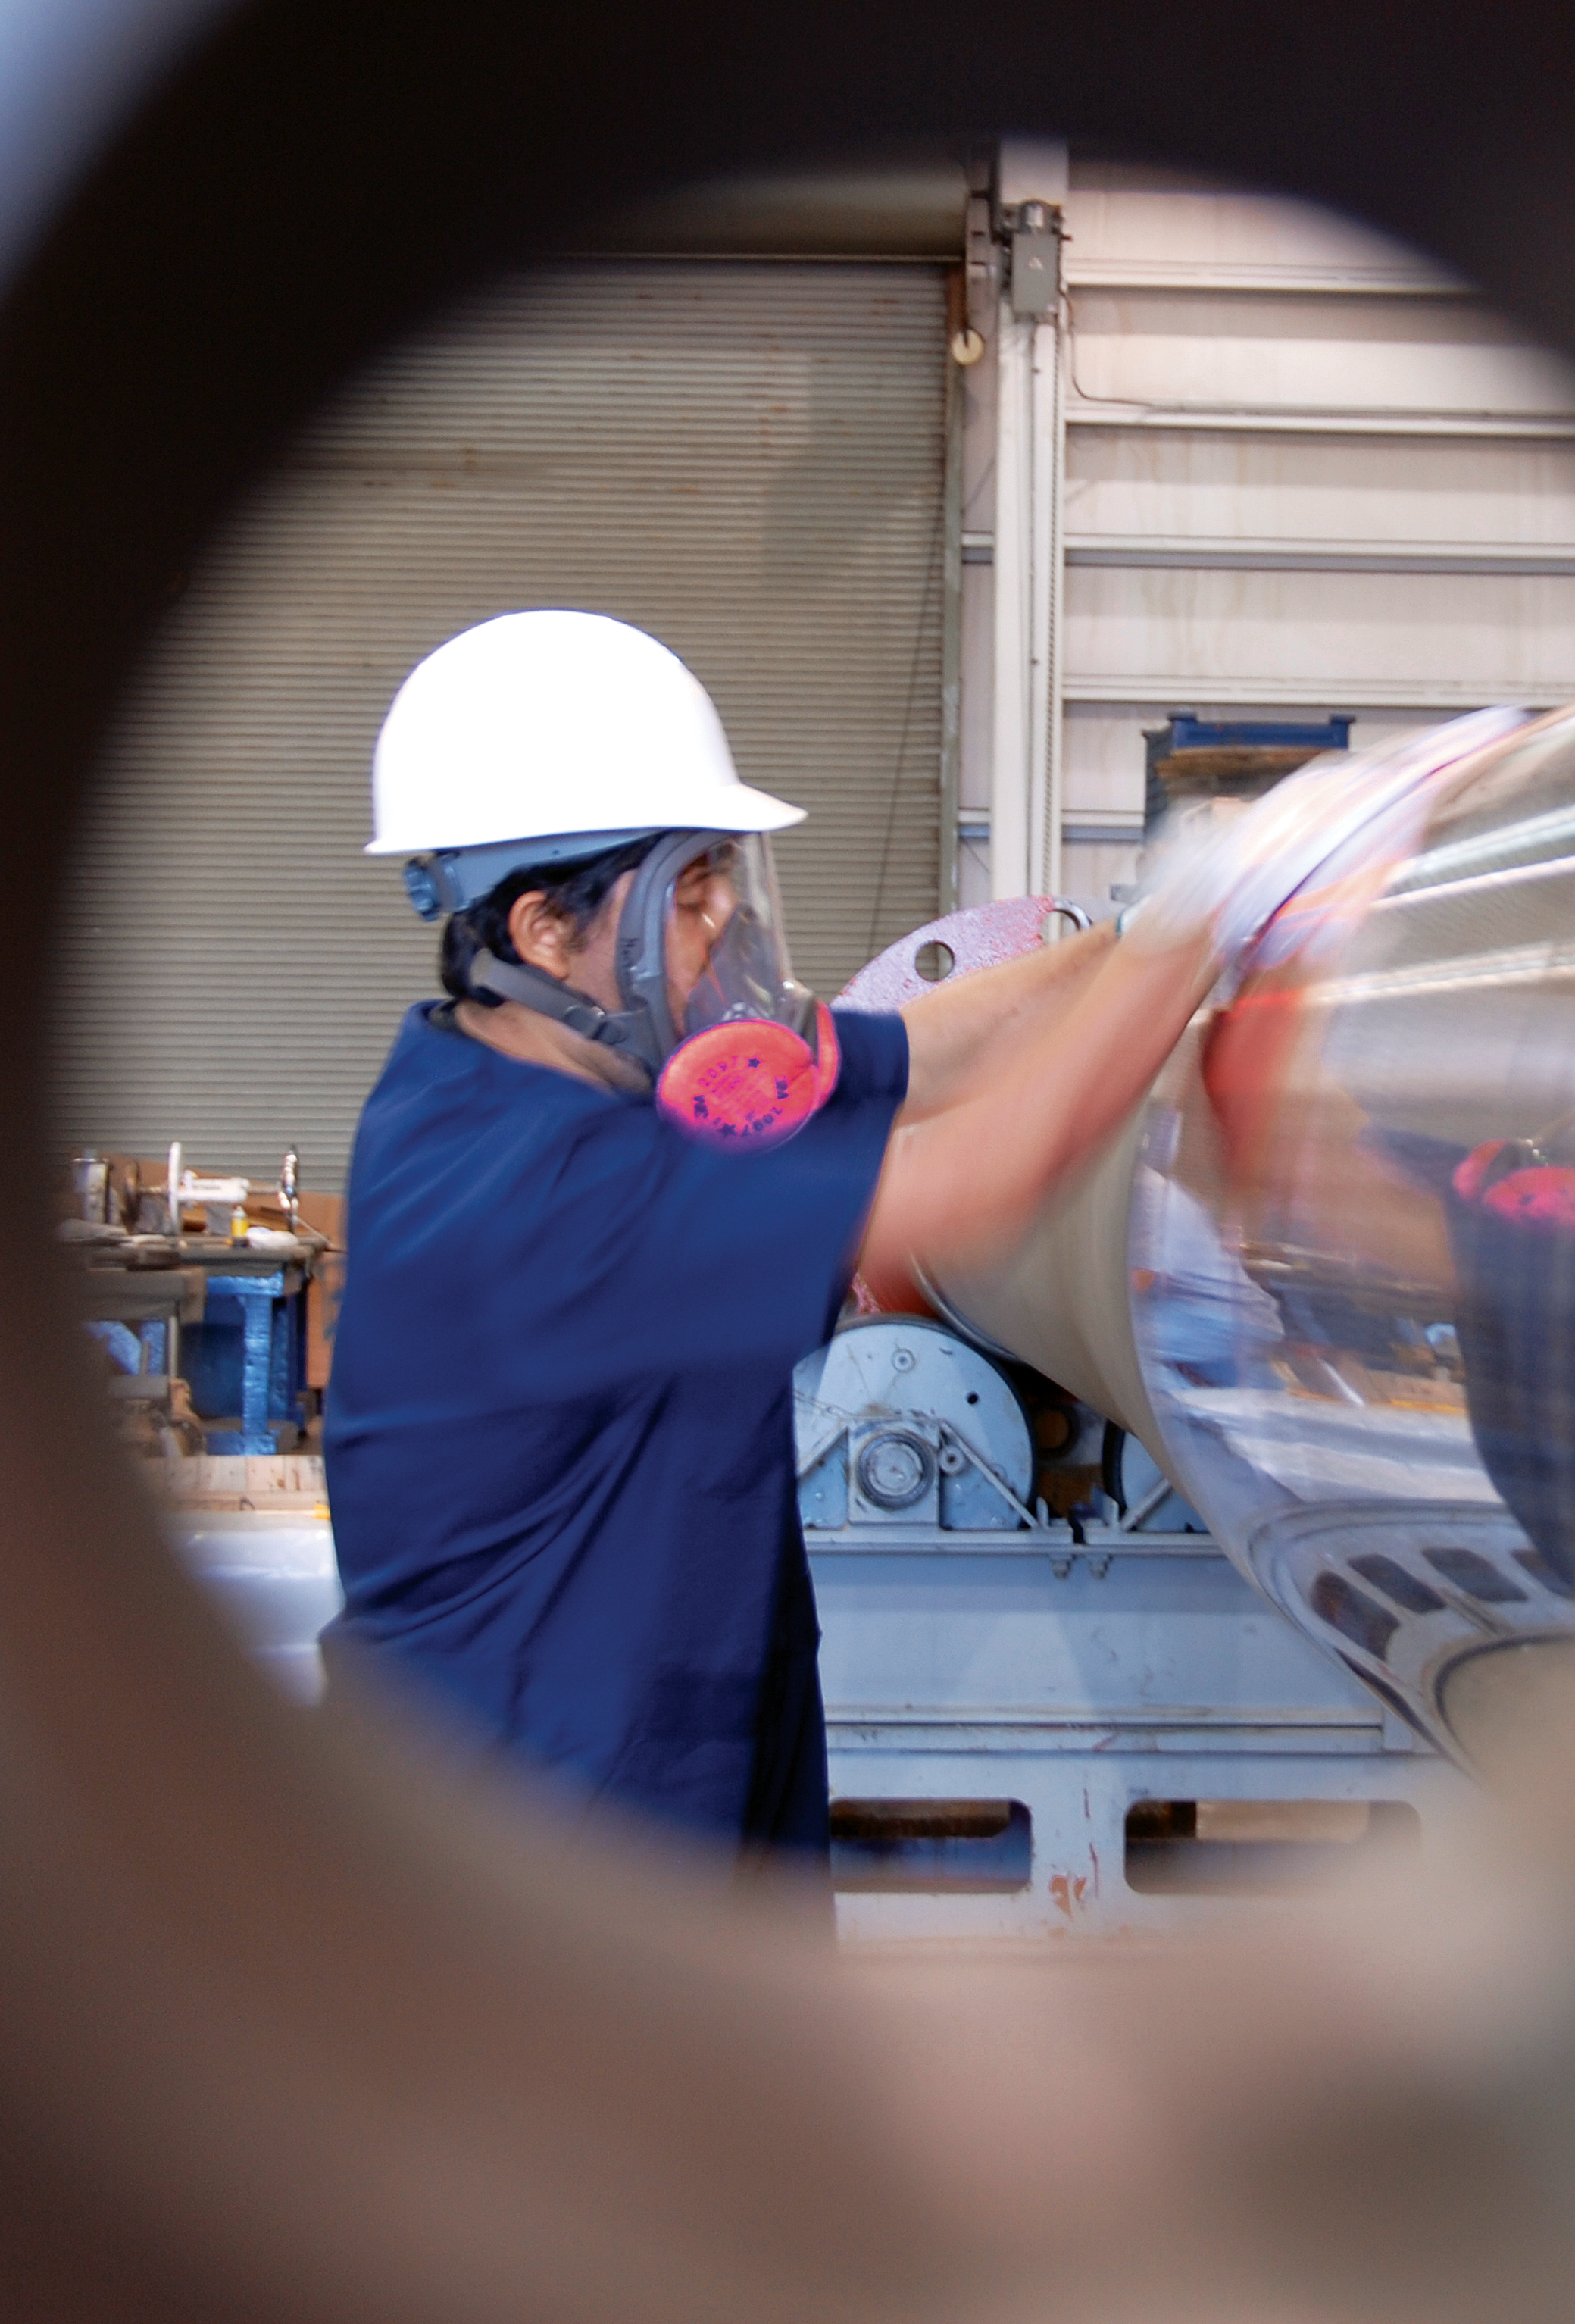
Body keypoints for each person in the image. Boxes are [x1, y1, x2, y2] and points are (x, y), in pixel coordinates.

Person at [320, 609, 1234, 1885]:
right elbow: (978, 1180)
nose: (726, 925)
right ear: (541, 933)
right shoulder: (547, 1186)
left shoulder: (534, 1074)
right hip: (537, 1844)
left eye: (723, 880)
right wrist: (1203, 941)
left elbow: (920, 1046)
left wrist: (1126, 940)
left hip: (663, 1763)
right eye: (692, 895)